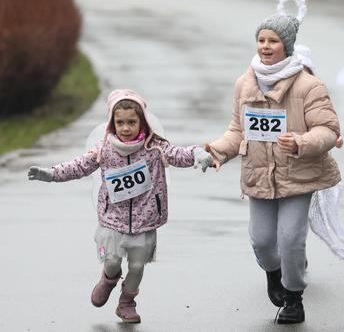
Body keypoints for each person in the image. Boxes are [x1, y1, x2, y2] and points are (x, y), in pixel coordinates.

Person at [204, 0, 341, 324]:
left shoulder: (309, 86)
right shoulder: (244, 84)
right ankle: (273, 273)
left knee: (291, 238)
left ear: (287, 46)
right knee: (263, 241)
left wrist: (301, 142)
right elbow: (238, 130)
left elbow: (328, 130)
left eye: (272, 41)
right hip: (259, 173)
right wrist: (218, 151)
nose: (265, 47)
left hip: (299, 175)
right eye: (261, 40)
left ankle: (294, 297)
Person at [27, 89, 213, 323]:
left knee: (137, 266)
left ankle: (127, 301)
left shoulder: (154, 147)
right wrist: (52, 173)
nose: (126, 128)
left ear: (142, 121)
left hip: (146, 219)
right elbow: (79, 165)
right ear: (112, 123)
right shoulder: (104, 149)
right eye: (120, 122)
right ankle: (108, 278)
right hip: (112, 219)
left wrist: (197, 153)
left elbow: (177, 154)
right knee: (112, 259)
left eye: (132, 122)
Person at [293, 44, 344, 263]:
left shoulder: (316, 94)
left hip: (309, 168)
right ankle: (287, 251)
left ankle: (296, 251)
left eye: (304, 71)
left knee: (299, 217)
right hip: (282, 167)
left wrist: (333, 137)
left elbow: (327, 124)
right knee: (286, 217)